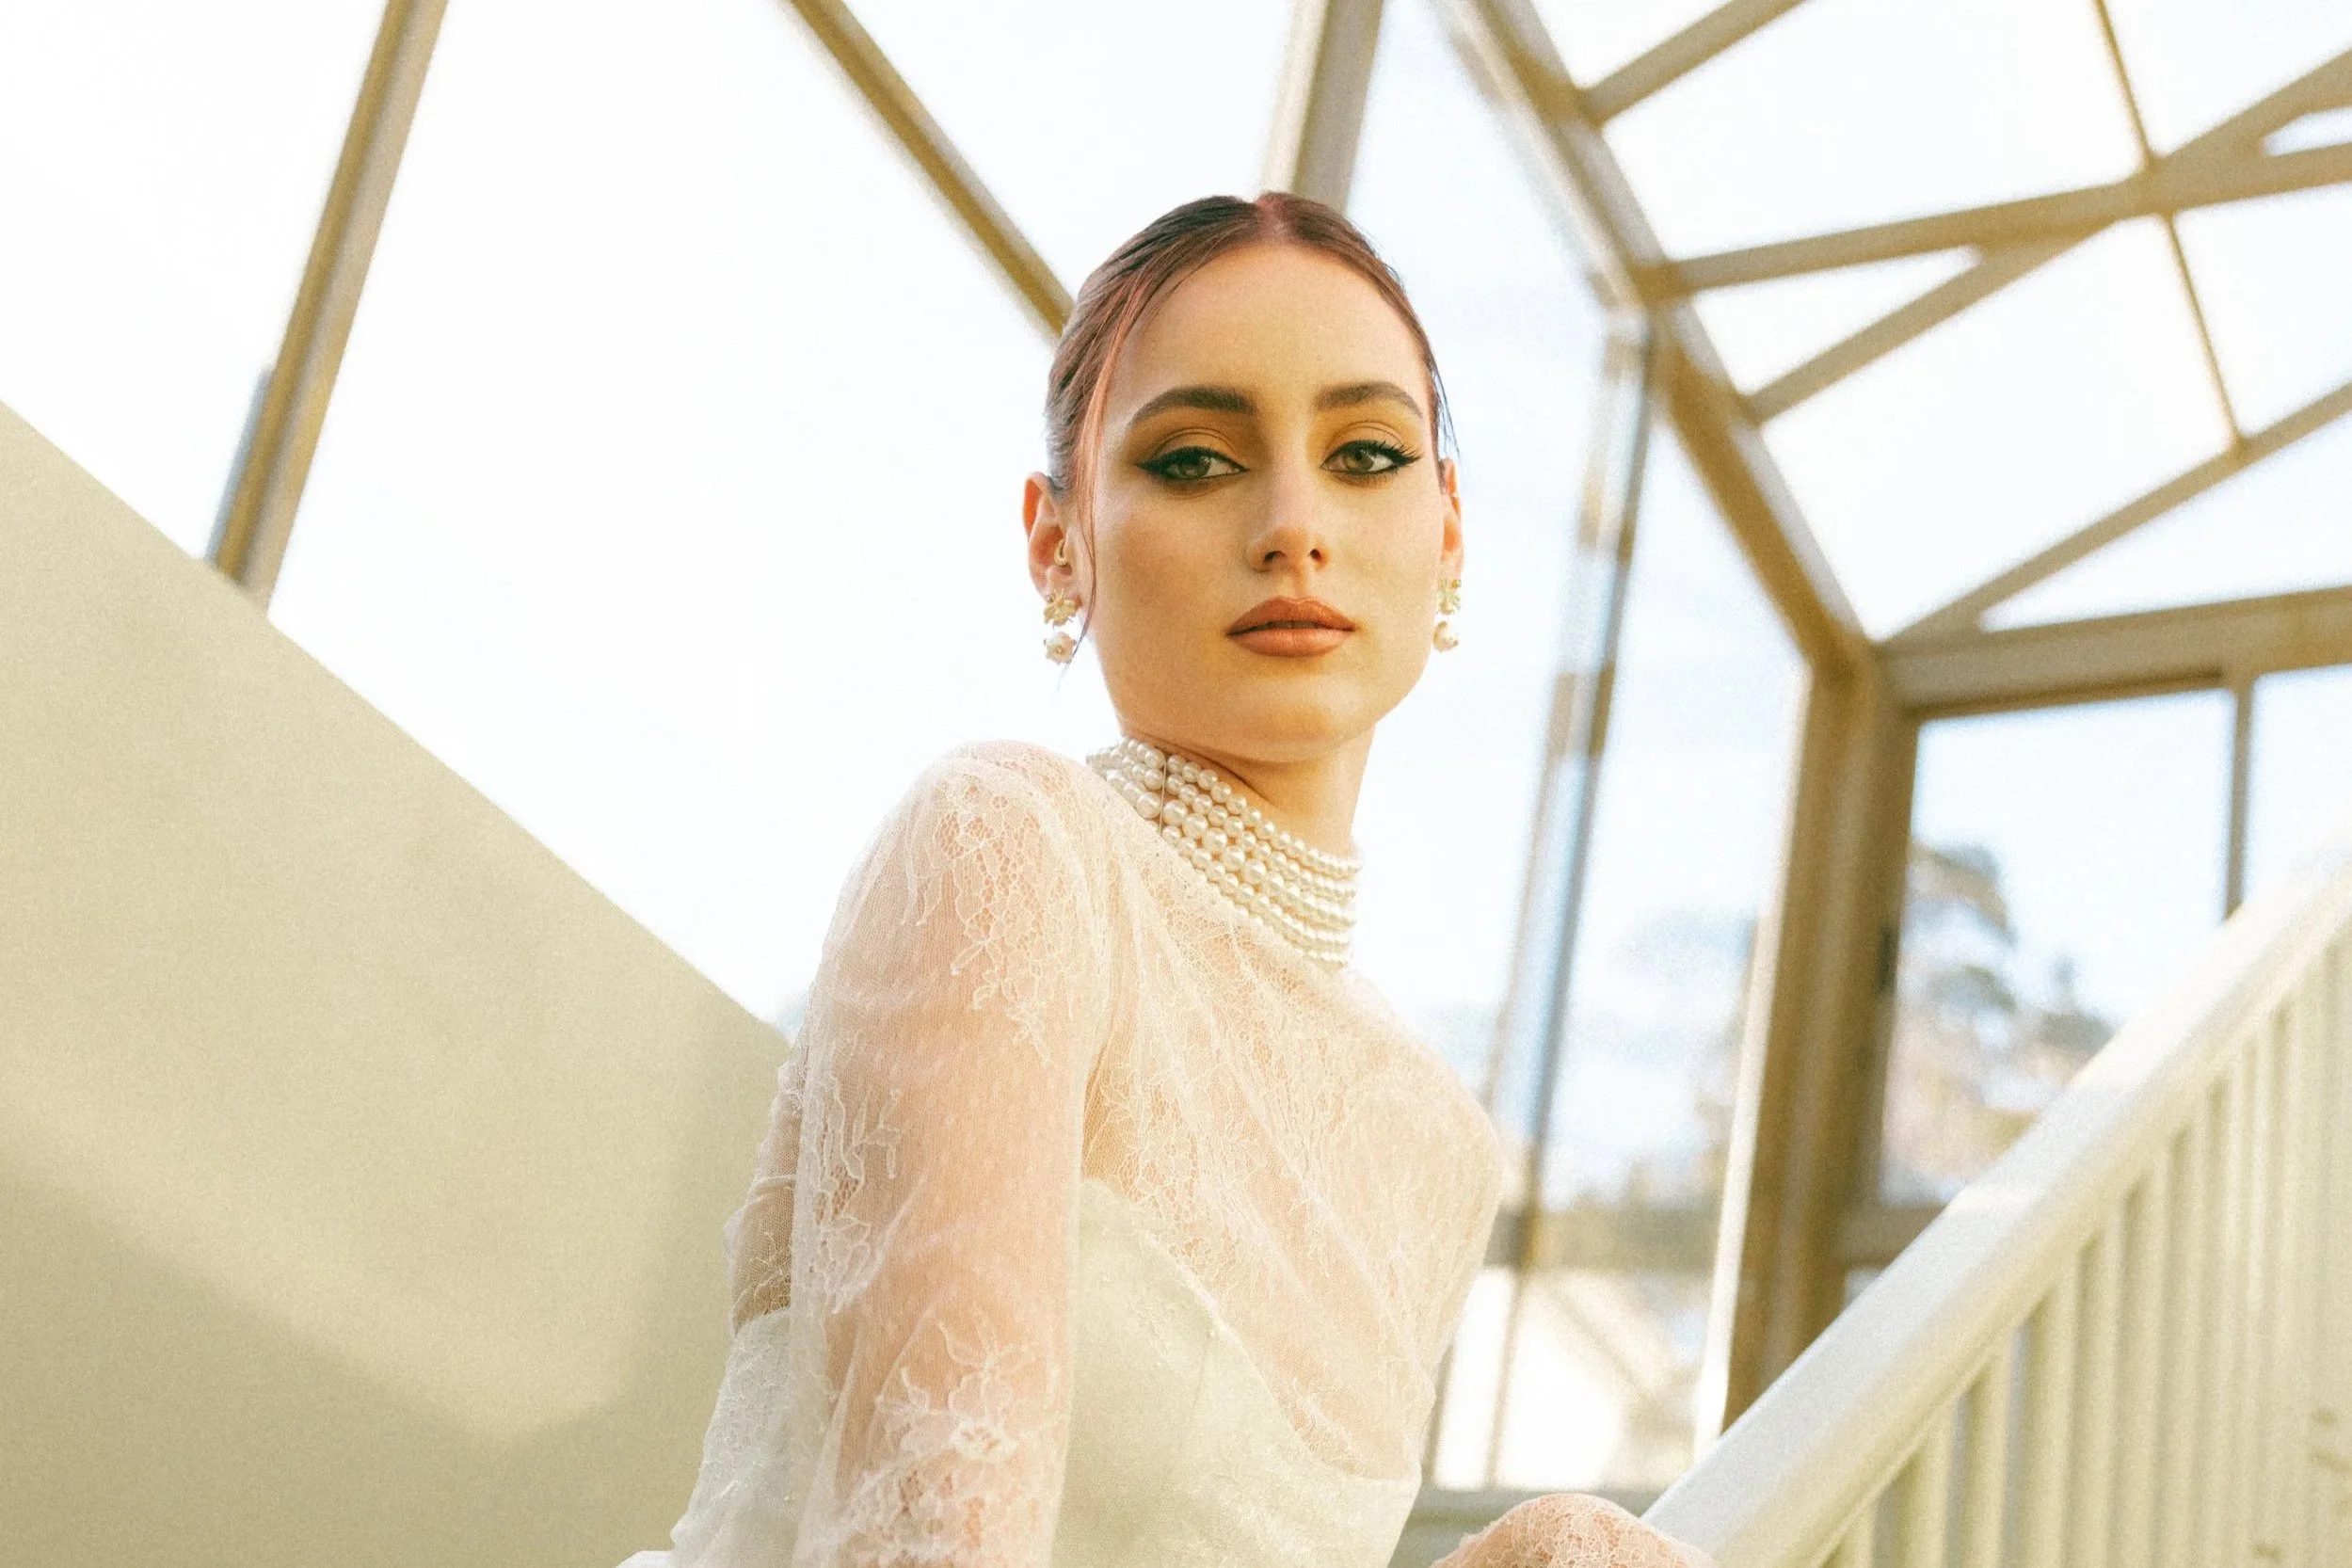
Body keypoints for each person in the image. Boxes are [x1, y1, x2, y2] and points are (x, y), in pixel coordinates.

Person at [622, 193, 1713, 1568]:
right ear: (1055, 541)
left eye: (1367, 453)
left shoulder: (1440, 1147)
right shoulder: (1008, 845)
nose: (1293, 524)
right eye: (1196, 460)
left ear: (1447, 534)